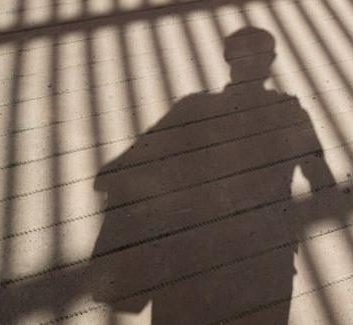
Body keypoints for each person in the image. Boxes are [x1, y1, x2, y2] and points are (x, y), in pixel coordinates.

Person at [91, 26, 335, 324]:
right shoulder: (289, 114)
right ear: (270, 62)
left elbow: (117, 172)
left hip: (191, 261)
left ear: (226, 58)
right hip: (263, 264)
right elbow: (325, 188)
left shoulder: (192, 110)